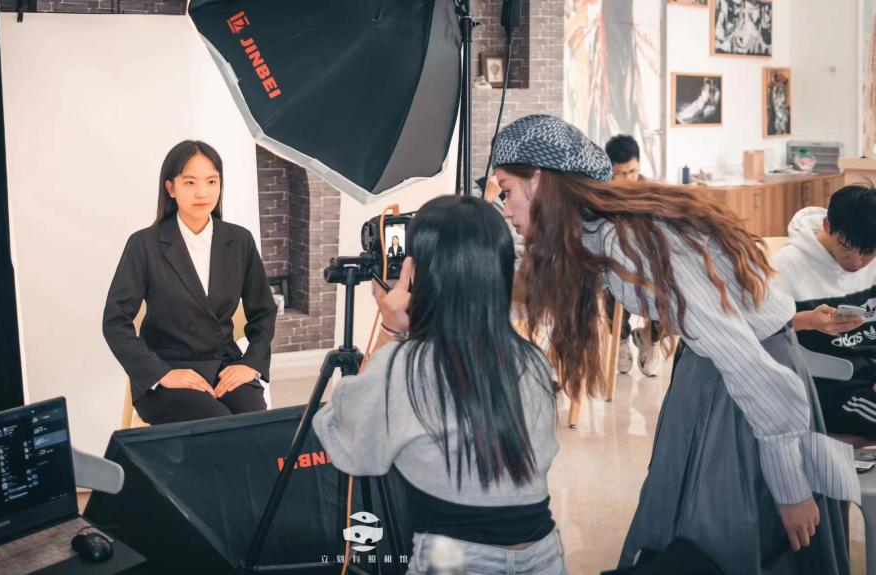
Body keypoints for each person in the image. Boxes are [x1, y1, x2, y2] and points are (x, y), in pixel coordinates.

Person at [490, 114, 858, 574]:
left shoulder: (626, 240)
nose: (506, 208)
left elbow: (747, 363)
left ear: (539, 180)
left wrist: (790, 486)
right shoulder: (603, 231)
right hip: (715, 377)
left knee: (719, 546)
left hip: (748, 391)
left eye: (506, 191)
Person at [313, 195, 565, 575]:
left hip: (456, 558)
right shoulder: (532, 361)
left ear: (416, 273)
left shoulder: (406, 366)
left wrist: (390, 331)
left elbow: (349, 443)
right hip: (545, 554)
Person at [103, 140, 277, 424]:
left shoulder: (239, 241)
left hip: (224, 364)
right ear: (171, 188)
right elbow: (115, 321)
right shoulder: (144, 245)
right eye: (190, 182)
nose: (202, 192)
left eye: (212, 181)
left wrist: (250, 364)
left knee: (254, 421)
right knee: (216, 424)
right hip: (167, 370)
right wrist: (161, 374)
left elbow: (264, 312)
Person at [771, 185, 876, 440]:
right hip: (829, 388)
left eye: (869, 253)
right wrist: (805, 320)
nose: (857, 262)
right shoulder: (785, 266)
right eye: (847, 247)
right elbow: (755, 331)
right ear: (828, 226)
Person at [603, 135, 661, 376]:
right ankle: (622, 339)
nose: (628, 179)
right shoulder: (601, 197)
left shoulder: (653, 194)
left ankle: (650, 338)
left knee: (670, 286)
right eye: (620, 173)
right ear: (609, 170)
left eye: (633, 171)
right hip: (616, 264)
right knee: (608, 283)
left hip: (649, 265)